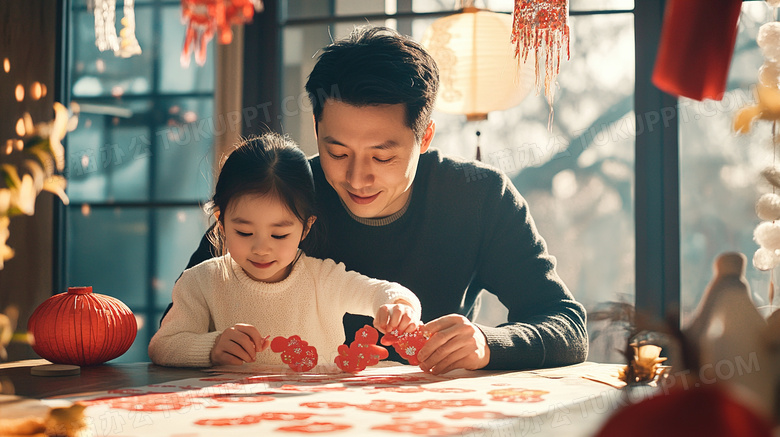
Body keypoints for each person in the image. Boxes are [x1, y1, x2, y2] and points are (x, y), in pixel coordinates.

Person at [166, 26, 587, 374]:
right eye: (337, 152)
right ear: (315, 128)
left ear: (424, 138)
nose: (356, 178)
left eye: (382, 156)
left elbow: (566, 323)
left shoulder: (478, 197)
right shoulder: (285, 191)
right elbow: (190, 306)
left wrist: (488, 343)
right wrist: (211, 344)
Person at [149, 133, 422, 368]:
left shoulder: (322, 280)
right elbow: (164, 345)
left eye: (279, 234)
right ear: (220, 223)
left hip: (310, 411)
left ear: (305, 228)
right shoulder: (202, 282)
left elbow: (380, 292)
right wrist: (212, 347)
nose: (261, 248)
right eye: (244, 232)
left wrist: (399, 307)